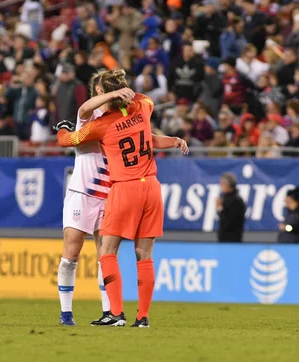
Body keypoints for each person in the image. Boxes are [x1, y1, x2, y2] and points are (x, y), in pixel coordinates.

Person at [55, 69, 189, 328]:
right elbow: (145, 132)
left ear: (101, 92)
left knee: (107, 252)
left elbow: (69, 139)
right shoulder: (143, 107)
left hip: (123, 188)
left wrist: (61, 130)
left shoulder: (101, 124)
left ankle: (115, 313)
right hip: (151, 186)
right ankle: (143, 318)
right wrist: (172, 140)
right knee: (144, 254)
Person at [216, 173, 246, 242]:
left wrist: (219, 208)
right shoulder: (225, 197)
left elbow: (229, 222)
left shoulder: (236, 201)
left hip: (232, 240)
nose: (221, 186)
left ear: (228, 185)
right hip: (224, 238)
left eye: (222, 184)